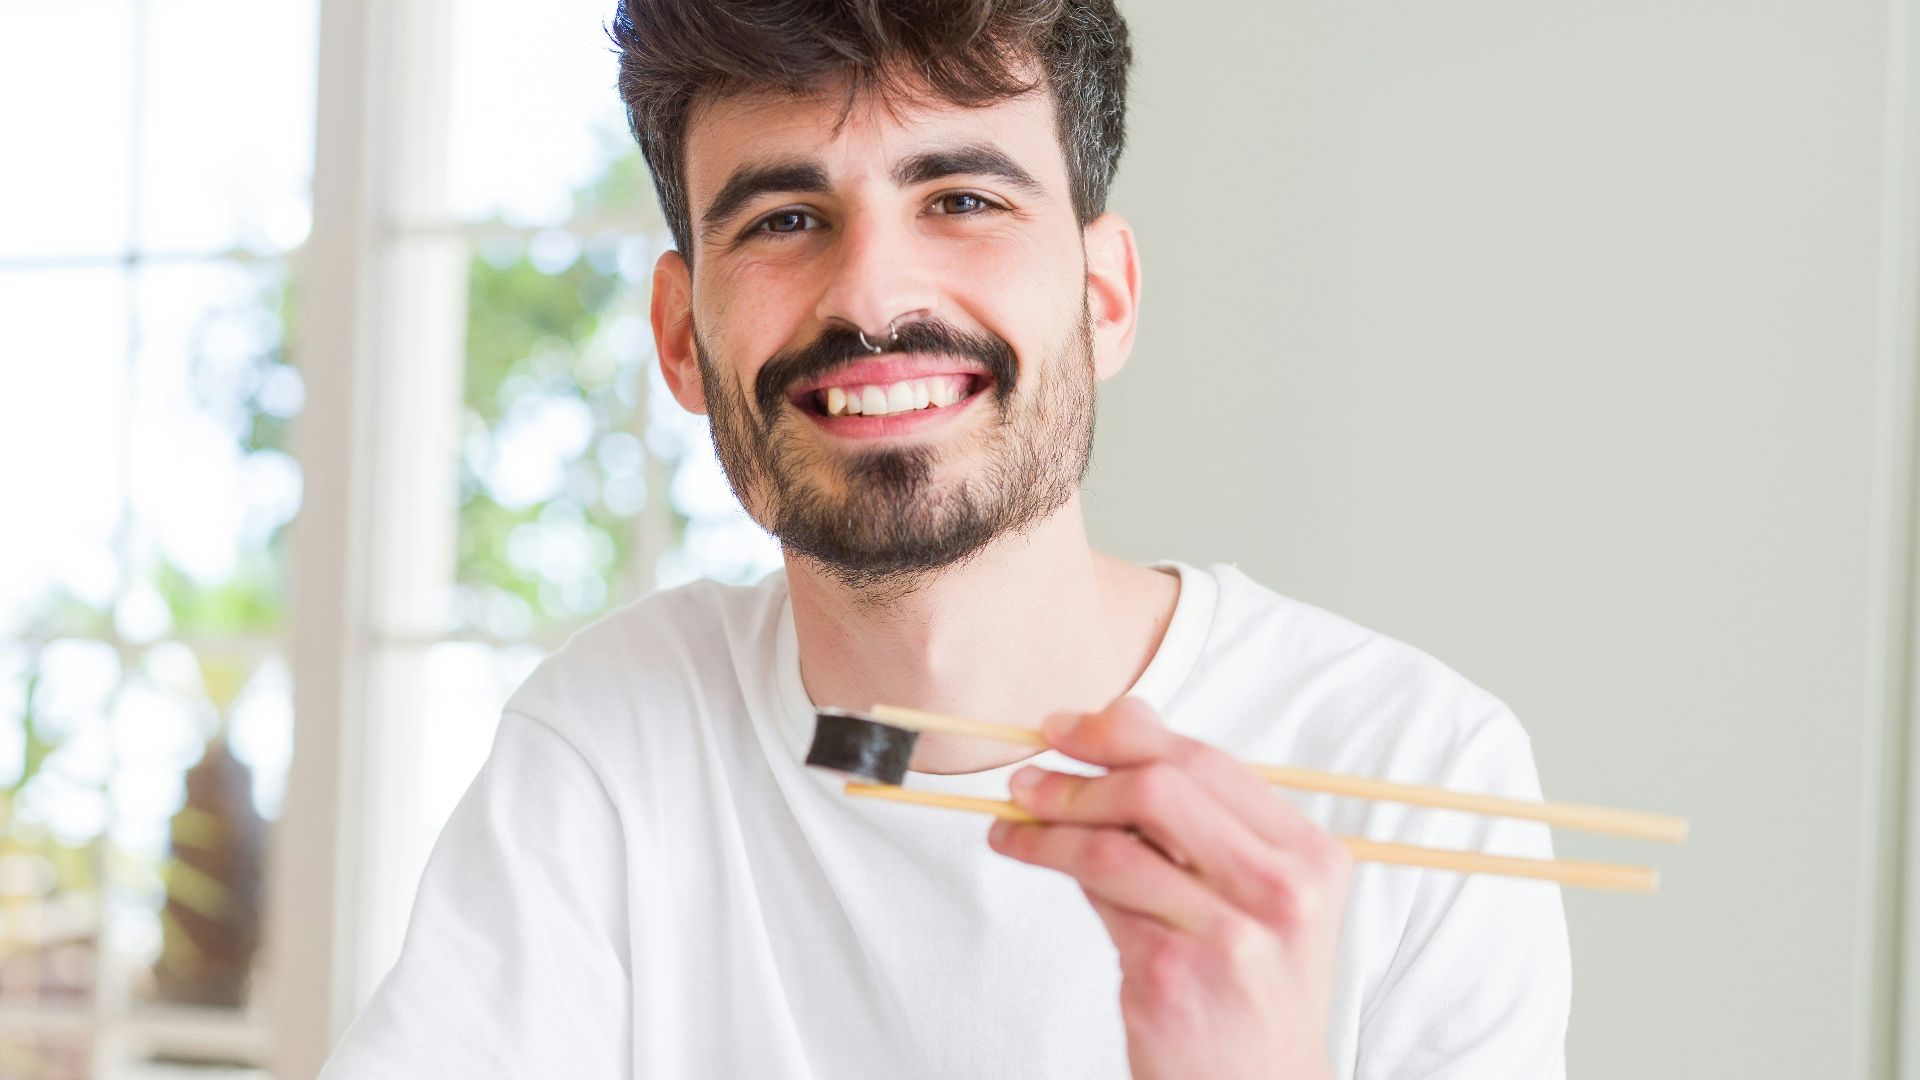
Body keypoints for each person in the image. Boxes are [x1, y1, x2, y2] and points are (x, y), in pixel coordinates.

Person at [319, 1, 1570, 1077]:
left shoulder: (1429, 770)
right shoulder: (615, 739)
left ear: (1106, 296)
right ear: (681, 340)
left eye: (962, 198)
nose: (871, 295)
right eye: (783, 220)